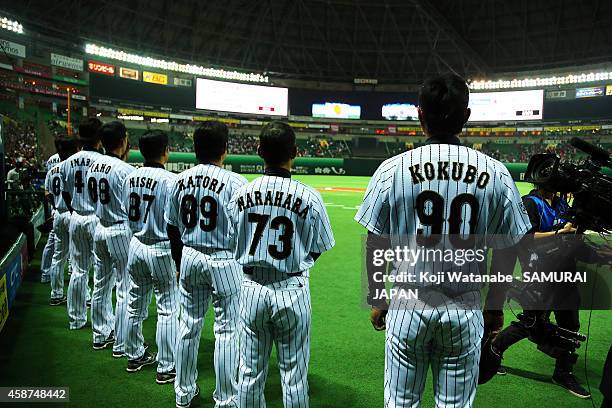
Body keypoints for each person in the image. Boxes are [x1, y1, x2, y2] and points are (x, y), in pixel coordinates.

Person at [354, 74, 531, 407]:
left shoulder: (391, 169)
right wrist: (494, 307)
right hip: (465, 307)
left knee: (400, 402)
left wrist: (378, 296)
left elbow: (376, 241)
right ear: (465, 117)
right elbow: (507, 248)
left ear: (420, 115)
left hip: (407, 305)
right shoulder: (496, 173)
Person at [228, 121, 335, 408]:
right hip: (292, 289)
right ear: (296, 153)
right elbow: (319, 246)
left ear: (259, 150)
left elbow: (231, 242)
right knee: (294, 376)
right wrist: (300, 260)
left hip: (251, 289)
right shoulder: (310, 197)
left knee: (250, 372)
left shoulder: (239, 195)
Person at [166, 121, 247, 408]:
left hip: (189, 255)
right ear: (225, 150)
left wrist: (178, 263)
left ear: (194, 148)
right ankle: (226, 399)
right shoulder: (236, 183)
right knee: (227, 331)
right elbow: (245, 231)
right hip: (223, 260)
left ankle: (183, 392)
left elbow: (172, 226)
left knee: (188, 325)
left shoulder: (178, 179)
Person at [492, 184, 591, 399]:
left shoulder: (561, 202)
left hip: (565, 271)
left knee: (571, 324)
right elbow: (526, 238)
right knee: (532, 322)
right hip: (539, 272)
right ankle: (493, 351)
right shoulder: (530, 203)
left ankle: (563, 373)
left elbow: (573, 232)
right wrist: (559, 233)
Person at [123, 130, 178, 383]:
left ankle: (134, 354)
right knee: (167, 307)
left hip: (136, 244)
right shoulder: (170, 180)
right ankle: (166, 366)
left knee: (135, 302)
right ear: (165, 150)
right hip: (161, 248)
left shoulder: (130, 177)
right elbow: (175, 224)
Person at [88, 121, 136, 358]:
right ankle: (122, 343)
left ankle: (99, 334)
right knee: (125, 287)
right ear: (122, 141)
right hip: (119, 230)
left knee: (100, 282)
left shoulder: (93, 166)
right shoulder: (125, 170)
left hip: (100, 227)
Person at [59, 117, 103, 330]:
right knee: (102, 275)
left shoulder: (67, 162)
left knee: (78, 270)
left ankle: (76, 319)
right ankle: (101, 325)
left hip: (76, 216)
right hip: (97, 218)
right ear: (99, 137)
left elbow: (65, 193)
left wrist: (74, 211)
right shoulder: (104, 163)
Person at [44, 136, 79, 305]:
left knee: (59, 256)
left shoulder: (53, 170)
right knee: (78, 258)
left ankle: (56, 294)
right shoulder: (74, 168)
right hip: (73, 214)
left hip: (58, 213)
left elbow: (48, 194)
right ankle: (83, 297)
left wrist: (56, 207)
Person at [40, 150, 62, 284]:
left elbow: (47, 191)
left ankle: (45, 273)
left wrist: (54, 206)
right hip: (67, 207)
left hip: (56, 206)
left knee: (52, 244)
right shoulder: (70, 160)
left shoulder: (51, 160)